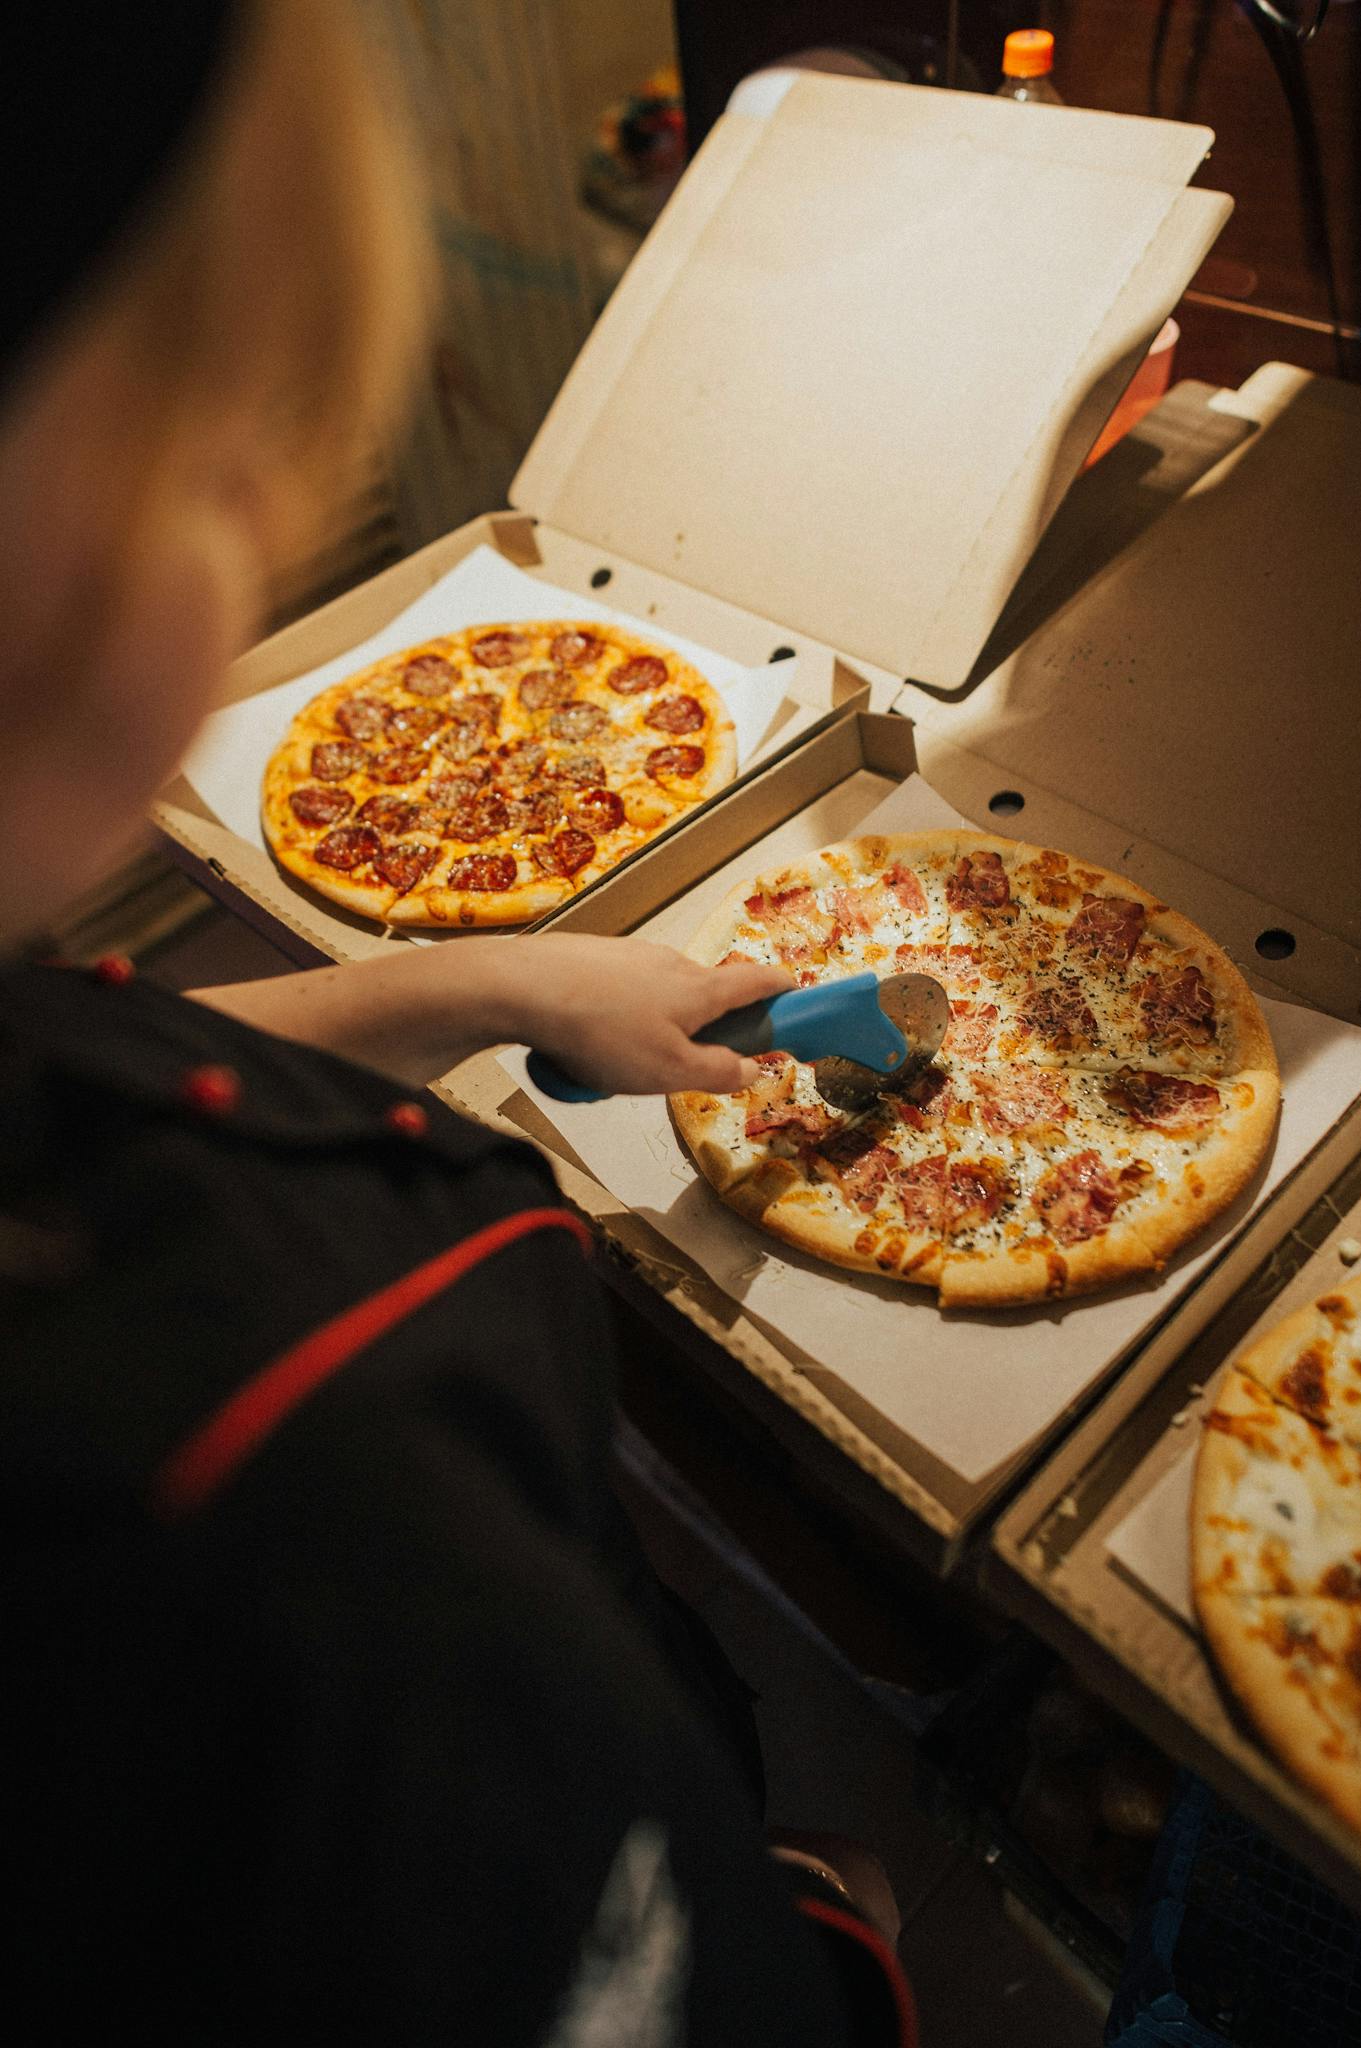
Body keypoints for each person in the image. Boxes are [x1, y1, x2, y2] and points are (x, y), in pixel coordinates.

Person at [3, 5, 915, 2041]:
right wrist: (831, 1932)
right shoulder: (304, 1463)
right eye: (230, 426)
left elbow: (101, 1048)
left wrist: (492, 978)